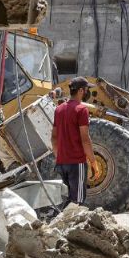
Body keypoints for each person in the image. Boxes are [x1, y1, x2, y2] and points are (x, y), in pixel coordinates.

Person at [51, 77, 96, 205]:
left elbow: (54, 138)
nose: (88, 92)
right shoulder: (82, 110)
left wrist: (59, 157)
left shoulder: (58, 109)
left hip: (62, 163)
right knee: (77, 203)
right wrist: (93, 162)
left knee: (67, 201)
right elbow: (85, 139)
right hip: (77, 163)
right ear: (81, 90)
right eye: (87, 89)